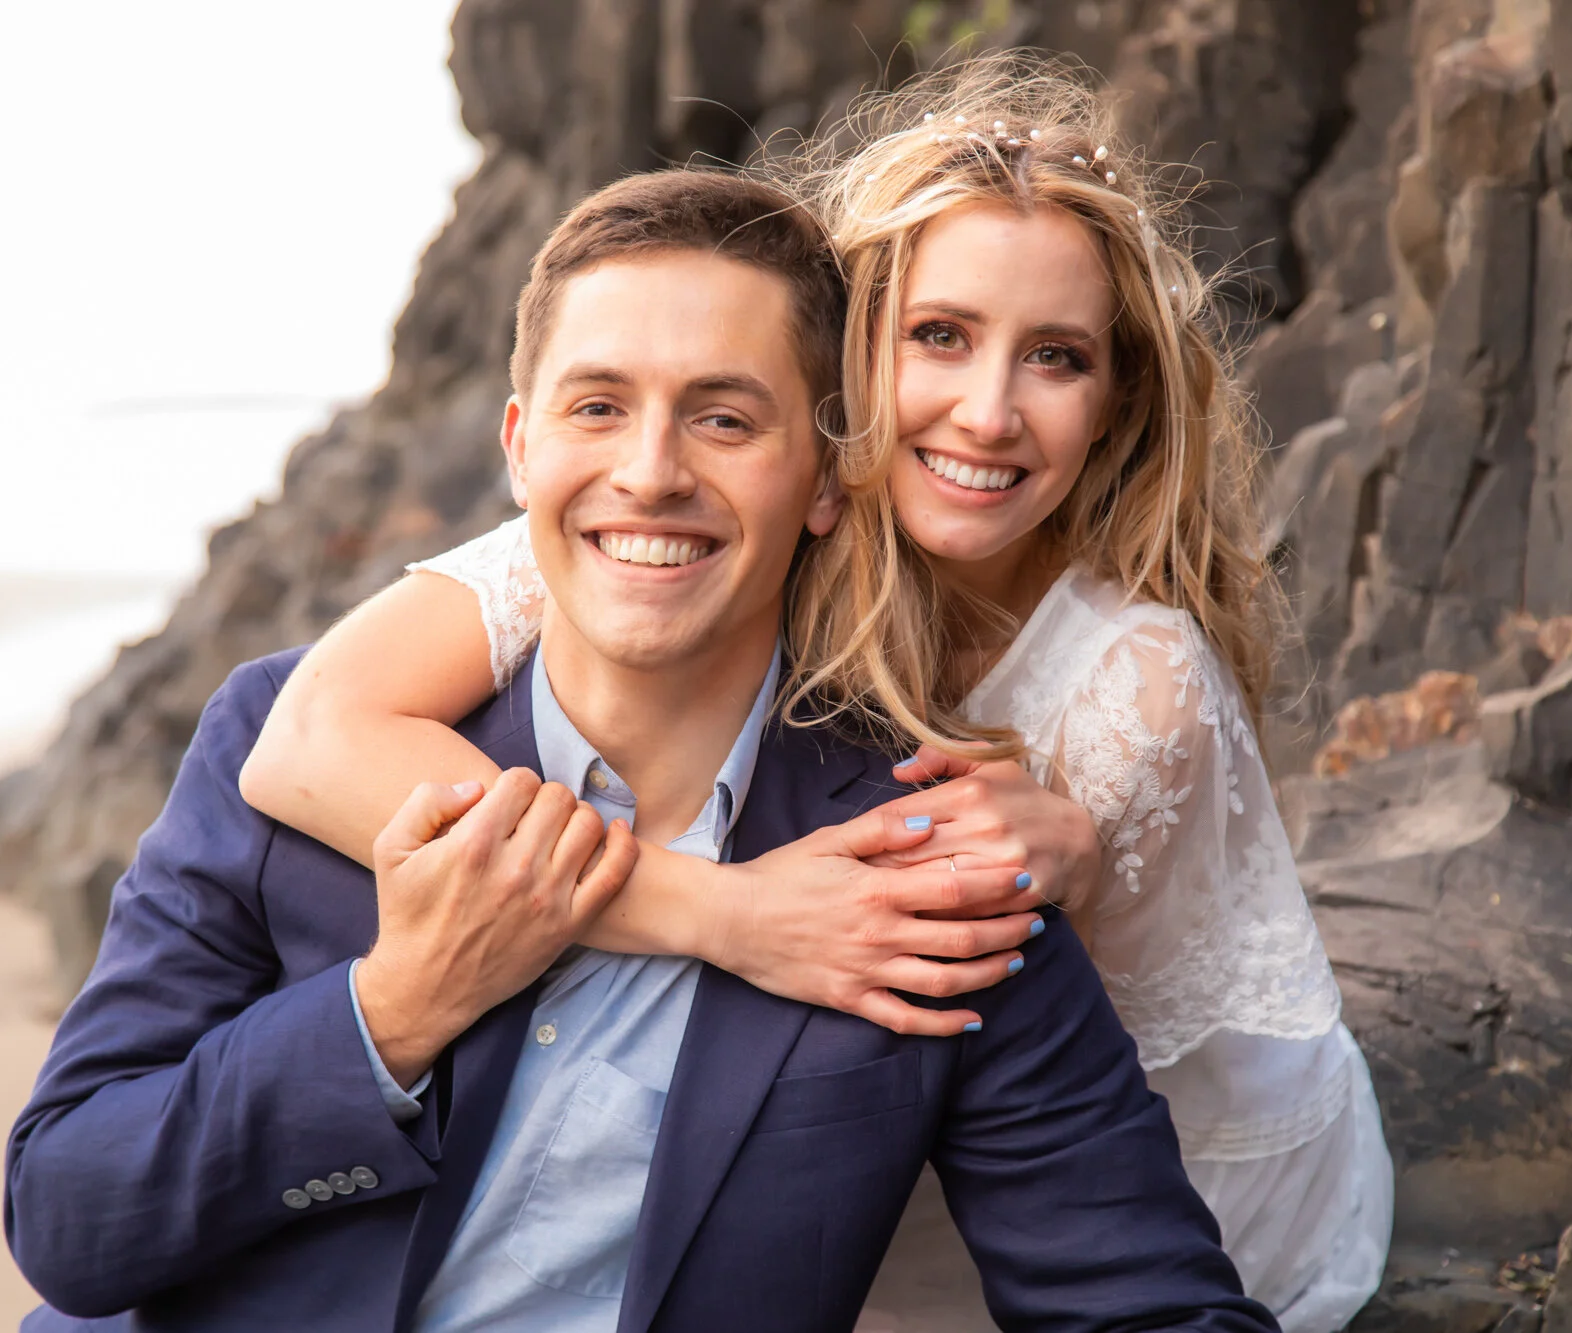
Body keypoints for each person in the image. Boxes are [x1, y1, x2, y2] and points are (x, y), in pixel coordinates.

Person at [4, 166, 1275, 1331]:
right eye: (597, 407)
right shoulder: (292, 746)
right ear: (520, 448)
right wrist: (394, 1011)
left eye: (724, 420)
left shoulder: (920, 869)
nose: (649, 472)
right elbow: (68, 1215)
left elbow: (1146, 1303)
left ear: (830, 479)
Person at [241, 56, 1392, 1333]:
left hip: (1152, 1173)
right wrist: (717, 909)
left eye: (1055, 357)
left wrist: (1085, 852)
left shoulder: (1131, 679)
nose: (988, 411)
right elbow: (303, 737)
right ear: (844, 359)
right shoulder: (673, 511)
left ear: (1112, 406)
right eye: (938, 336)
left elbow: (977, 1023)